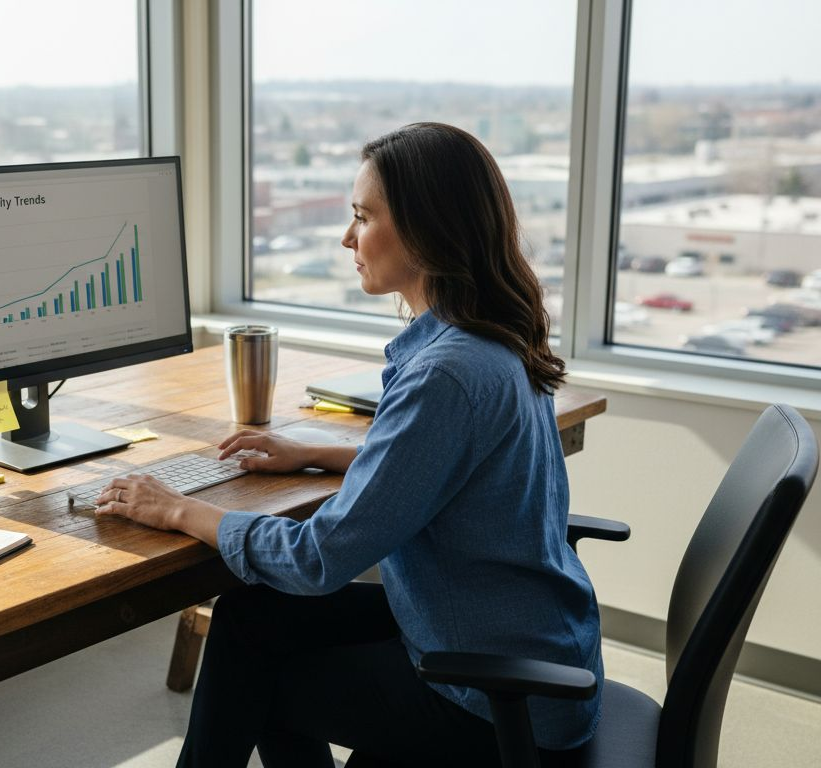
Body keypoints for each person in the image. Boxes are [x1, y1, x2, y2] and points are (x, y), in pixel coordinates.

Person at [93, 122, 602, 766]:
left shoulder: (445, 372)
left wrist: (176, 509)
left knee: (259, 681)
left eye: (362, 217)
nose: (346, 238)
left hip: (493, 695)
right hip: (512, 635)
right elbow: (450, 470)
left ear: (426, 228)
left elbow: (317, 559)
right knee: (252, 616)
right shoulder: (491, 337)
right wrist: (321, 451)